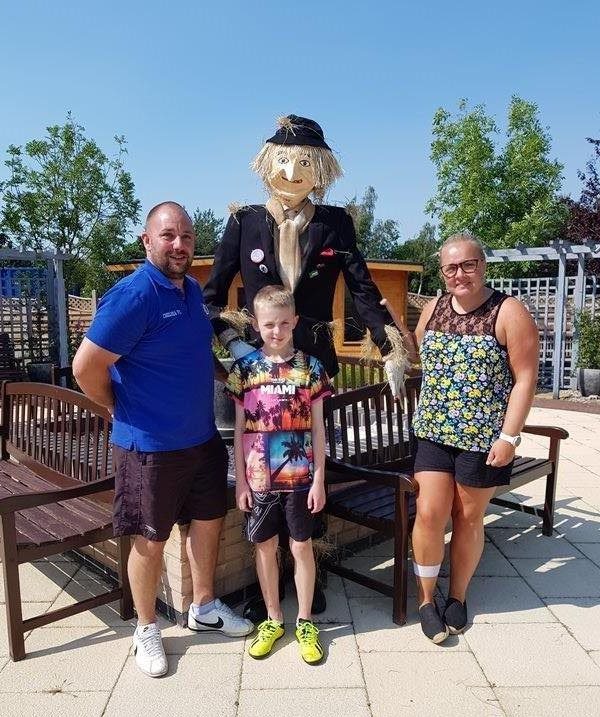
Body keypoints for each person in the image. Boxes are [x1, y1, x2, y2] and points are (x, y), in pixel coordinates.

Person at [204, 114, 408, 617]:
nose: (291, 172)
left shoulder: (335, 222)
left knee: (311, 472)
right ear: (266, 163)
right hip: (257, 371)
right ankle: (265, 590)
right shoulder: (244, 220)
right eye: (283, 161)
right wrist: (234, 344)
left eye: (303, 163)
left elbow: (362, 288)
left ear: (321, 168)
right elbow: (211, 297)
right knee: (258, 478)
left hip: (312, 368)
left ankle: (310, 584)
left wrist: (390, 347)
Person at [72, 201, 253, 678]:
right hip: (149, 447)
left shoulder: (190, 290)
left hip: (202, 440)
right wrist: (115, 405)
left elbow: (194, 353)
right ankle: (147, 627)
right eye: (168, 235)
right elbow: (84, 368)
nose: (179, 245)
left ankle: (204, 607)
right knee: (150, 539)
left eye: (187, 237)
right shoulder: (133, 296)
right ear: (147, 240)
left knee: (208, 522)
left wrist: (232, 377)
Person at [384, 233, 539, 643]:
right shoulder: (434, 307)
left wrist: (510, 437)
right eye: (451, 267)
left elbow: (525, 379)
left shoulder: (508, 312)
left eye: (468, 265)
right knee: (429, 513)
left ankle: (458, 596)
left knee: (468, 517)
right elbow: (421, 357)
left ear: (482, 266)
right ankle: (425, 599)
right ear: (442, 272)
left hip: (482, 439)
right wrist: (398, 339)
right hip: (433, 432)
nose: (460, 274)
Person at [226, 285, 331, 663]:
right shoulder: (244, 370)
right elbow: (239, 430)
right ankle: (273, 619)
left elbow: (318, 429)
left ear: (295, 322)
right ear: (256, 324)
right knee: (265, 547)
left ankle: (305, 621)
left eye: (284, 323)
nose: (277, 330)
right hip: (259, 478)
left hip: (299, 476)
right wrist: (240, 481)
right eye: (269, 324)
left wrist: (319, 479)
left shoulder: (311, 368)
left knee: (301, 546)